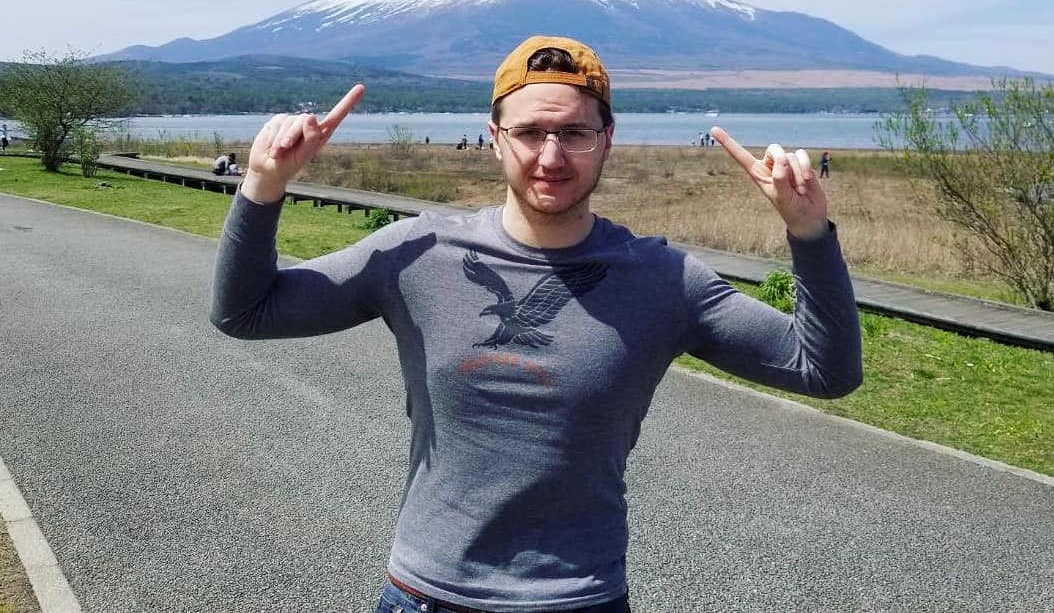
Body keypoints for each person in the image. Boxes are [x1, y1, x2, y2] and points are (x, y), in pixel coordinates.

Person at [211, 36, 862, 613]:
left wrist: (809, 233)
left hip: (581, 598)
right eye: (529, 133)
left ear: (608, 139)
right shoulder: (416, 253)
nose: (551, 156)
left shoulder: (665, 280)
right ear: (494, 139)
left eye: (575, 133)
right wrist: (263, 187)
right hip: (425, 596)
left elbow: (824, 370)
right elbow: (246, 312)